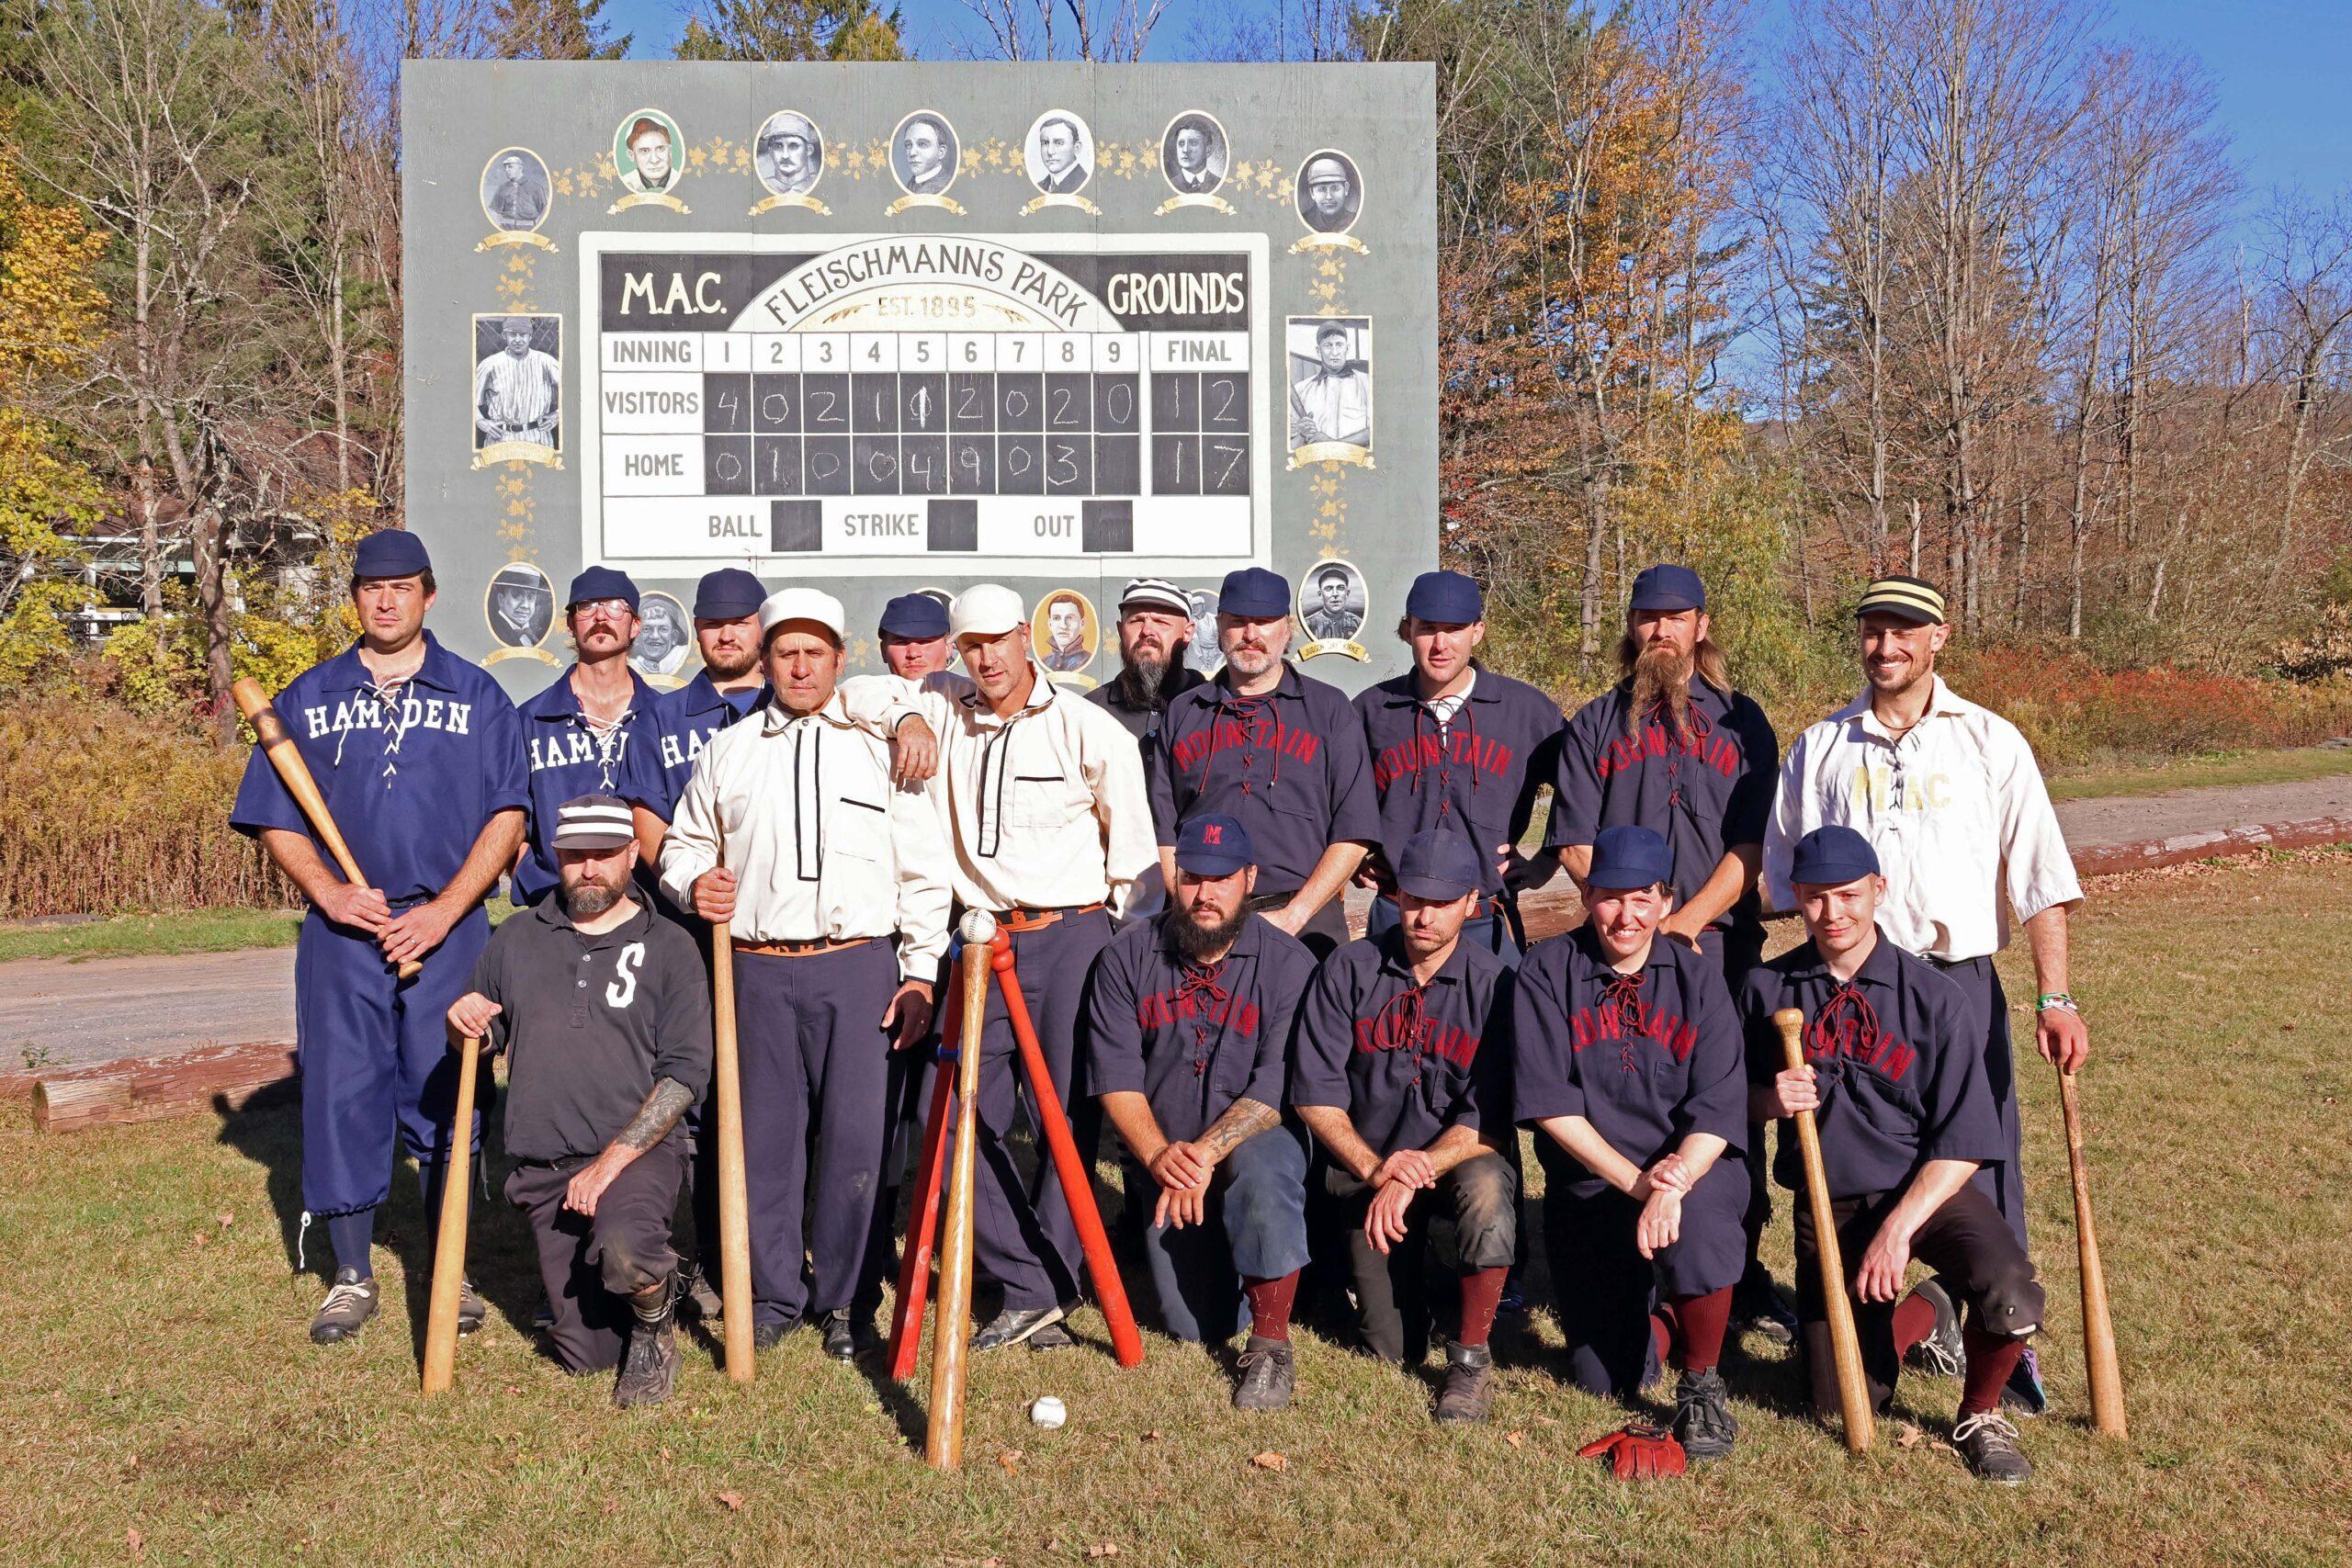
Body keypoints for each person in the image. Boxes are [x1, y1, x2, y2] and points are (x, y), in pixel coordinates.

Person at [1762, 574, 2086, 1413]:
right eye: (1874, 630)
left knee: (1982, 1162)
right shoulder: (1822, 747)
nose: (1887, 646)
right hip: (1845, 985)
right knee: (1850, 1170)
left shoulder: (1990, 740)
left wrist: (2055, 997)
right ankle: (1874, 1315)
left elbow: (2040, 876)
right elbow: (1779, 875)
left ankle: (2002, 1346)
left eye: (1905, 630)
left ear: (1939, 636)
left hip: (1953, 982)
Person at [229, 531, 526, 1344]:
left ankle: (452, 1269)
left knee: (450, 1089)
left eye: (402, 587)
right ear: (355, 597)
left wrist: (446, 910)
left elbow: (509, 814)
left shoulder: (477, 694)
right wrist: (328, 891)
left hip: (445, 925)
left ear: (429, 595)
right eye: (370, 587)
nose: (386, 600)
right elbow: (275, 816)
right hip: (345, 931)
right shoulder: (308, 695)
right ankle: (352, 1274)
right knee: (342, 1092)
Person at [658, 589, 949, 1359]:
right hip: (756, 970)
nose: (799, 666)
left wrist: (920, 973)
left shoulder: (879, 745)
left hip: (858, 968)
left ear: (839, 660)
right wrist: (693, 883)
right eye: (785, 652)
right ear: (764, 660)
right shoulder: (729, 749)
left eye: (814, 652)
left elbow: (924, 873)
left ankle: (848, 1298)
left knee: (857, 1142)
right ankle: (773, 1293)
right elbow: (684, 845)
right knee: (764, 1144)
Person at [871, 584, 1155, 1350]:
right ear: (955, 650)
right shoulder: (940, 707)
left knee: (1064, 1116)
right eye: (970, 645)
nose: (987, 657)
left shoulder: (1087, 728)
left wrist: (1126, 963)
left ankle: (1044, 1282)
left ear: (1026, 636)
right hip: (980, 938)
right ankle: (1036, 1279)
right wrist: (903, 719)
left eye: (998, 639)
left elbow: (1134, 863)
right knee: (952, 1113)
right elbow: (860, 695)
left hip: (1072, 934)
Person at [1741, 826, 2045, 1483]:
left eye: (1849, 894)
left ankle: (1981, 1414)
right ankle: (1929, 1311)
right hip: (1831, 1203)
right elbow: (1724, 1101)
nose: (1833, 912)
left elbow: (1966, 1141)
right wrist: (1768, 1098)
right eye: (1816, 896)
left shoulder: (1934, 996)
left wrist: (1898, 1232)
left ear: (1878, 890)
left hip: (1927, 1192)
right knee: (1841, 1401)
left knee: (2011, 1290)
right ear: (1796, 897)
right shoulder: (1767, 989)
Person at [1545, 562, 1792, 1345]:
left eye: (1676, 617)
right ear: (1632, 626)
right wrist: (1640, 924)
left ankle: (1734, 1270)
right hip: (1621, 954)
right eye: (1648, 617)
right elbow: (1574, 844)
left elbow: (1750, 847)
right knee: (1623, 1090)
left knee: (1729, 1107)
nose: (1660, 630)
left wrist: (1682, 921)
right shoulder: (1595, 724)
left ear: (1701, 625)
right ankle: (1630, 1257)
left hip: (1720, 950)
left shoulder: (1743, 723)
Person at [446, 795, 711, 1405]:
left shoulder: (671, 946)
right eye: (574, 855)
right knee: (586, 1355)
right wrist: (464, 1024)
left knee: (626, 1251)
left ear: (632, 854)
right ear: (555, 857)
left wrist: (609, 1164)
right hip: (546, 1166)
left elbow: (684, 1074)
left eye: (604, 853)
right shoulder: (516, 938)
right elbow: (481, 1037)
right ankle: (658, 1278)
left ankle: (654, 1317)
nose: (589, 868)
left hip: (636, 1155)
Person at [1514, 826, 1748, 1461]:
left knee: (1699, 1219)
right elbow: (1550, 1105)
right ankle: (1670, 1314)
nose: (1627, 916)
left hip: (1691, 1172)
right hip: (1595, 1180)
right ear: (1587, 896)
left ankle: (1701, 1383)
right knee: (1607, 1378)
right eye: (1612, 897)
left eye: (1643, 898)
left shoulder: (1698, 978)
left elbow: (1719, 1105)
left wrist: (1674, 1180)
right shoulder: (1546, 970)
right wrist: (1639, 1184)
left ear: (1666, 902)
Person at [1087, 814, 1317, 1408]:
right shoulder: (1127, 956)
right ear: (1175, 877)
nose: (1205, 894)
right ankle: (1260, 1264)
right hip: (1167, 1157)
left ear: (1250, 879)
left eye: (1222, 879)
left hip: (1252, 1146)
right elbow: (1117, 1076)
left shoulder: (1289, 964)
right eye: (1192, 877)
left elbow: (1276, 1085)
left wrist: (1206, 1155)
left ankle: (1270, 1346)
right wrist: (1161, 1155)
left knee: (1262, 1170)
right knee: (1194, 1325)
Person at [1291, 832, 1518, 1424]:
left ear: (1471, 903)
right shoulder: (1349, 969)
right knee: (1391, 1347)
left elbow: (1491, 1120)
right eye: (1414, 898)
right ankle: (1431, 1277)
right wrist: (1376, 1169)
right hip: (1366, 1171)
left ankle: (1470, 1358)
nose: (1425, 916)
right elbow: (1314, 1094)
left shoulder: (1497, 986)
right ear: (1395, 894)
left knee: (1488, 1189)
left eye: (1443, 902)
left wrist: (1411, 1173)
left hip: (1454, 1164)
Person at [627, 566, 768, 1319]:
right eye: (713, 623)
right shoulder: (664, 713)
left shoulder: (799, 700)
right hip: (691, 933)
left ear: (761, 626)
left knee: (779, 1099)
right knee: (708, 1101)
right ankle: (715, 1257)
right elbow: (648, 817)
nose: (726, 634)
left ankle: (783, 1252)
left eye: (740, 621)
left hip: (781, 936)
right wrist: (687, 886)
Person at [1148, 568, 1380, 958]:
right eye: (1238, 621)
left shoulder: (1329, 710)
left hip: (1307, 922)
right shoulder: (1184, 712)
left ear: (1287, 629)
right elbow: (1164, 834)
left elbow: (1353, 832)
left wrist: (1295, 915)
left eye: (1265, 621)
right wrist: (1194, 914)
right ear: (1220, 626)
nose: (1251, 634)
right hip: (1204, 919)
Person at [1354, 570, 1562, 962]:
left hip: (1487, 916)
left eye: (1454, 629)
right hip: (1397, 915)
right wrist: (1355, 859)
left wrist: (1546, 862)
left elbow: (1582, 793)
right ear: (1407, 630)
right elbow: (1332, 796)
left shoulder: (1526, 711)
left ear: (1477, 631)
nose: (1441, 644)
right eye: (1427, 628)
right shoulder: (1372, 711)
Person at [514, 568, 662, 911]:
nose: (600, 617)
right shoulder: (531, 720)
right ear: (570, 624)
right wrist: (532, 879)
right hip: (557, 907)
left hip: (647, 911)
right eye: (587, 606)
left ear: (635, 625)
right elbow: (510, 817)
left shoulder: (662, 718)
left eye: (615, 606)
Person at [1088, 577, 1207, 743]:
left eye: (1161, 622)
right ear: (1121, 630)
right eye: (1136, 621)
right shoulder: (1089, 711)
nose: (1147, 631)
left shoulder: (1215, 708)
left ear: (1187, 633)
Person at [474, 316, 560, 450]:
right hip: (500, 437)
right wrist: (479, 420)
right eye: (513, 334)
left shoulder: (547, 362)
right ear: (504, 335)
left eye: (523, 334)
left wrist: (558, 415)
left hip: (538, 436)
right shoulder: (489, 365)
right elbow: (467, 401)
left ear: (530, 336)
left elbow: (573, 391)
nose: (518, 339)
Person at [1291, 325, 1370, 452]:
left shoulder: (1367, 382)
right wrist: (1301, 434)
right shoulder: (1301, 389)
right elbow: (1290, 447)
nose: (1334, 352)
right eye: (1328, 346)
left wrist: (1332, 444)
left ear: (1347, 348)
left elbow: (1376, 432)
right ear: (1318, 351)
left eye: (1339, 345)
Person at [878, 592, 954, 682]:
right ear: (884, 651)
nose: (913, 654)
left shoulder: (967, 689)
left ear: (948, 647)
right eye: (901, 642)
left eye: (925, 641)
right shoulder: (865, 689)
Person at [758, 113, 820, 196]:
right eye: (778, 146)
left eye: (793, 146)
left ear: (809, 150)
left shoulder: (820, 184)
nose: (785, 155)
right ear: (771, 152)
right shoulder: (761, 186)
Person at [488, 567, 552, 648]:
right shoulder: (496, 632)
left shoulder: (534, 637)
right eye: (517, 595)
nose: (525, 605)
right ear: (501, 599)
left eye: (530, 597)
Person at [1299, 561, 1363, 640]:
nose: (1335, 594)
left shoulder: (1357, 623)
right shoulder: (1308, 624)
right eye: (1328, 589)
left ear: (1347, 593)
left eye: (1340, 588)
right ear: (1320, 594)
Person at [632, 596, 691, 678]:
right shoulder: (631, 666)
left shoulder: (683, 656)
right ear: (638, 636)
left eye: (663, 629)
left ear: (674, 636)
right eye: (647, 629)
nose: (654, 636)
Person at [1299, 154, 1359, 232]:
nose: (1329, 197)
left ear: (1346, 189)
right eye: (1322, 189)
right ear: (1312, 193)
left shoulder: (1353, 220)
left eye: (1335, 188)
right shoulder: (1305, 220)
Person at [1165, 117, 1225, 194]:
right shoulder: (1170, 185)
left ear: (1208, 150)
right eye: (1181, 144)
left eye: (1193, 143)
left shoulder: (1219, 183)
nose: (1185, 150)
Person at [899, 114, 955, 195]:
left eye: (922, 144)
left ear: (941, 152)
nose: (912, 153)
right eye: (908, 145)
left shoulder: (946, 185)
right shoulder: (910, 185)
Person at [488, 152, 546, 230]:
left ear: (520, 168)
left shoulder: (536, 188)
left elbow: (545, 209)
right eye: (505, 167)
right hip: (506, 230)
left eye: (510, 167)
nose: (507, 170)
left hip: (529, 230)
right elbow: (494, 210)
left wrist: (537, 226)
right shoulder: (502, 188)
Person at [1039, 591, 1092, 674]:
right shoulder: (1044, 662)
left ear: (1082, 624)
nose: (1063, 626)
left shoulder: (1088, 660)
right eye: (1057, 618)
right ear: (1050, 624)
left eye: (1069, 618)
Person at [1033, 115, 1089, 193]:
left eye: (1059, 143)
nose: (1050, 151)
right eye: (1045, 143)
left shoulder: (1084, 182)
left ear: (1076, 148)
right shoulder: (1040, 186)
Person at [623, 116, 677, 195]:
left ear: (670, 151)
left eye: (660, 148)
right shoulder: (626, 183)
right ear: (631, 155)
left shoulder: (681, 179)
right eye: (644, 151)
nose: (654, 160)